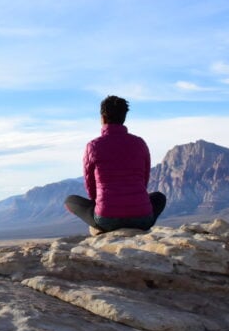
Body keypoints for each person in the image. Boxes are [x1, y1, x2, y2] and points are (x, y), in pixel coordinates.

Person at [64, 95, 166, 233]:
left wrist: (100, 203)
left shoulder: (93, 146)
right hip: (143, 219)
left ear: (103, 118)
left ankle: (100, 228)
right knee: (159, 197)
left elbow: (90, 184)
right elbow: (144, 181)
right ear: (124, 118)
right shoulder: (140, 143)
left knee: (70, 201)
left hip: (106, 219)